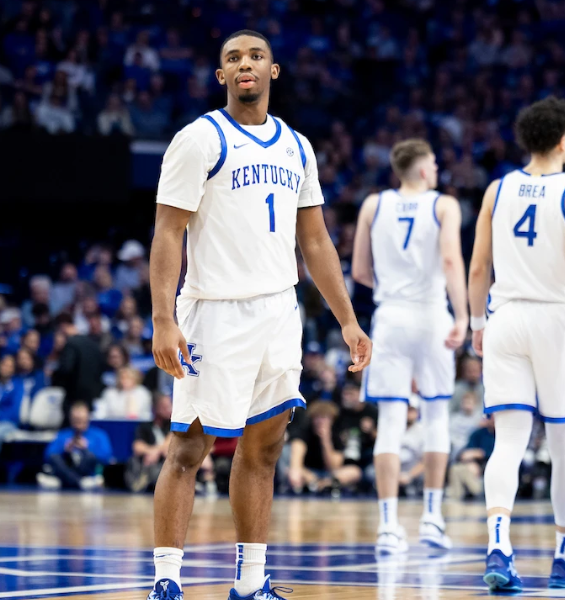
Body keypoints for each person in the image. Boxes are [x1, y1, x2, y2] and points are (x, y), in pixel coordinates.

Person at [146, 30, 371, 600]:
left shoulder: (297, 145)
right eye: (232, 59)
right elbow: (168, 232)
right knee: (189, 449)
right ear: (222, 77)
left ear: (274, 71)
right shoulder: (199, 139)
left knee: (265, 448)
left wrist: (346, 319)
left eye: (255, 57)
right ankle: (167, 580)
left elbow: (316, 243)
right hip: (213, 312)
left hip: (278, 311)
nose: (244, 64)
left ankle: (249, 584)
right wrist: (163, 318)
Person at [468, 97, 565, 592]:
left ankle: (499, 548)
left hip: (504, 317)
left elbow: (478, 267)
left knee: (508, 442)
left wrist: (474, 321)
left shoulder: (496, 189)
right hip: (558, 320)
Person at [351, 138, 468, 553]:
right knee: (436, 416)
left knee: (390, 422)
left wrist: (390, 285)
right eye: (434, 164)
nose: (436, 170)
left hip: (391, 317)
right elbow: (452, 262)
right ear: (423, 170)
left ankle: (387, 526)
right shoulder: (444, 205)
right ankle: (432, 519)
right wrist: (464, 315)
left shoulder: (372, 205)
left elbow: (360, 271)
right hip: (431, 314)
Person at [286, 401, 363, 494]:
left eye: (325, 418)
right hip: (309, 472)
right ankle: (316, 484)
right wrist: (304, 475)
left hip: (330, 474)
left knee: (354, 471)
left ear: (332, 420)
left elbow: (333, 466)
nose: (321, 421)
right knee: (292, 471)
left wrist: (325, 440)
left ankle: (325, 485)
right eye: (317, 417)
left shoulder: (336, 435)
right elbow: (296, 461)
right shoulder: (304, 432)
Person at [37, 401, 112, 490]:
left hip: (87, 471)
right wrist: (64, 449)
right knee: (55, 457)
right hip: (68, 468)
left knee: (90, 456)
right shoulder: (63, 434)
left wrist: (86, 448)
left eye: (81, 419)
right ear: (70, 419)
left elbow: (107, 457)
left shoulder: (99, 435)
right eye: (75, 419)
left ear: (87, 418)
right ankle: (79, 482)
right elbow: (48, 455)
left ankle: (63, 481)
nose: (78, 423)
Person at [448, 415, 495, 499]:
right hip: (474, 464)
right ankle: (456, 497)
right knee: (456, 469)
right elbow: (466, 452)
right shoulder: (478, 433)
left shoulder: (501, 435)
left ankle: (478, 492)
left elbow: (494, 453)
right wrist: (471, 461)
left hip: (491, 465)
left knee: (465, 472)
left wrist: (480, 453)